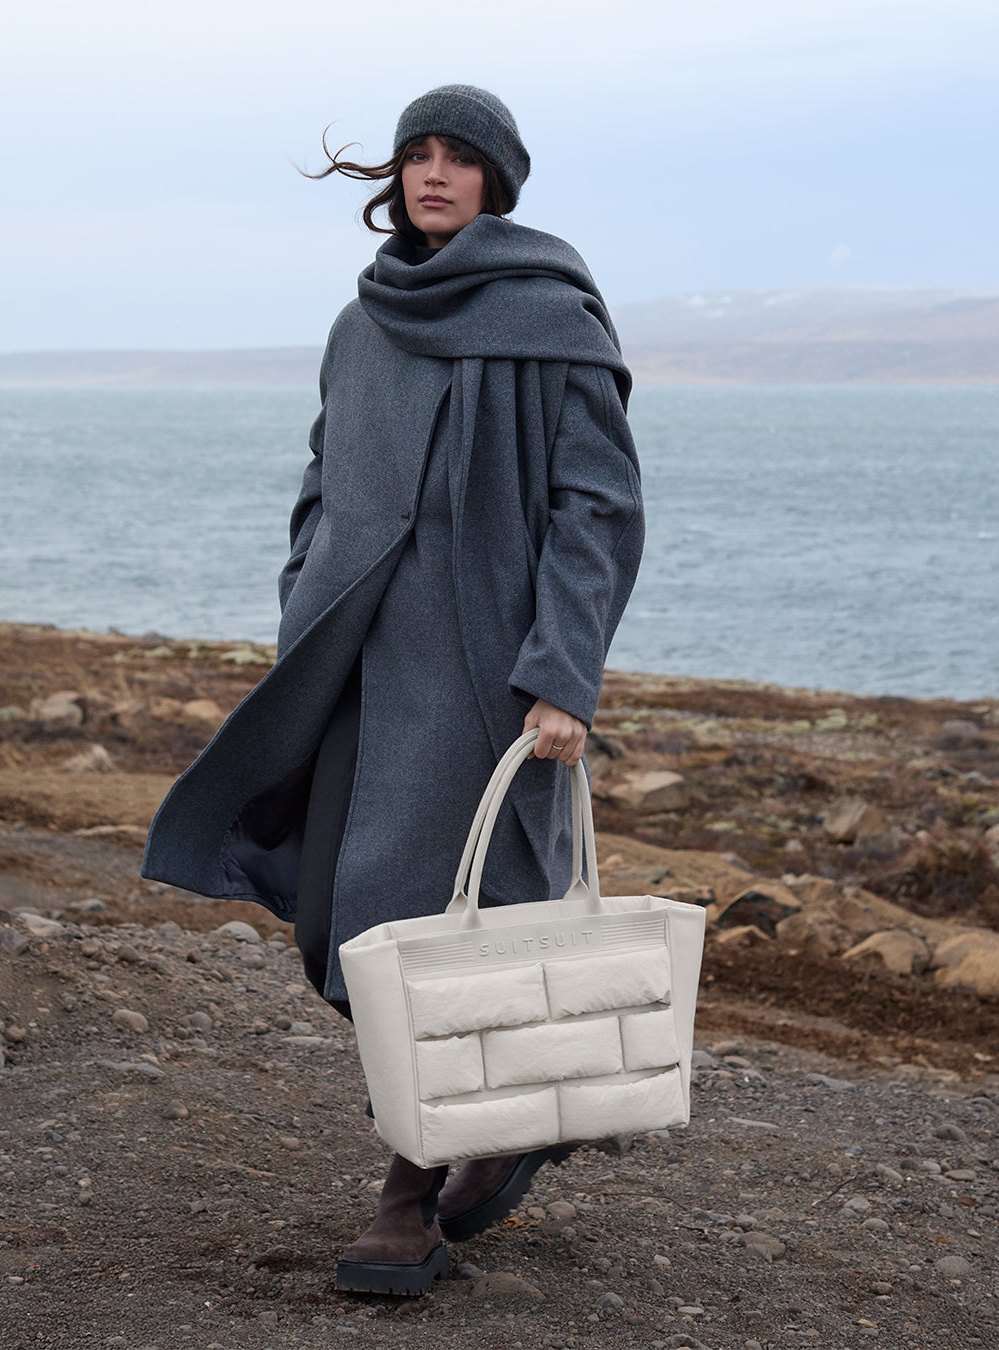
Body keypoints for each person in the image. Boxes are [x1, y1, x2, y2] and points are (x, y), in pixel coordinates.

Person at [141, 83, 644, 1296]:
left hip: (482, 681)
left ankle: (407, 1196)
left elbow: (598, 510)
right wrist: (305, 588)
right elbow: (323, 478)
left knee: (425, 934)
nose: (432, 173)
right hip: (350, 671)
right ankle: (510, 1120)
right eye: (416, 154)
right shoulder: (359, 323)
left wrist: (562, 677)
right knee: (334, 923)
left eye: (457, 157)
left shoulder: (552, 318)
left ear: (495, 181)